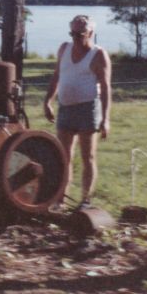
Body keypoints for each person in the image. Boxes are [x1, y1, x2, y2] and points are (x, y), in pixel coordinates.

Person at [43, 14, 111, 210]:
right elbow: (57, 75)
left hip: (88, 108)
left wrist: (105, 119)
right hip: (66, 108)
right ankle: (60, 199)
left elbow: (106, 88)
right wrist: (48, 101)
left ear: (90, 33)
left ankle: (85, 201)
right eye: (72, 33)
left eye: (79, 34)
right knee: (64, 156)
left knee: (87, 156)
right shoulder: (64, 49)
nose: (75, 38)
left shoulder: (98, 55)